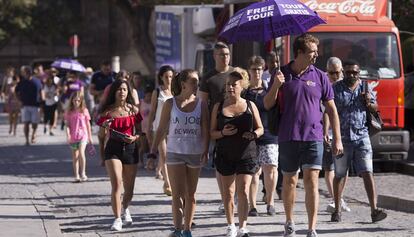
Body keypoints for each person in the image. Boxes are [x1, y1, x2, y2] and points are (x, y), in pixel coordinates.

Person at [264, 33, 343, 237]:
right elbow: (267, 104)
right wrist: (276, 85)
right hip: (288, 135)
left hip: (314, 136)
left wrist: (337, 138)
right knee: (289, 180)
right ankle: (289, 221)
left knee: (312, 181)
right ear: (299, 52)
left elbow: (332, 109)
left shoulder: (320, 76)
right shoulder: (281, 73)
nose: (316, 55)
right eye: (312, 52)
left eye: (317, 51)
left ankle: (311, 227)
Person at [150, 69, 209, 237]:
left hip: (195, 153)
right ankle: (177, 229)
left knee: (190, 194)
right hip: (175, 152)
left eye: (198, 81)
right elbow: (161, 129)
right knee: (176, 193)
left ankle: (187, 229)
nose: (197, 85)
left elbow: (205, 128)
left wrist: (205, 150)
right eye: (193, 82)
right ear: (183, 84)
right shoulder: (170, 103)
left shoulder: (201, 104)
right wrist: (153, 152)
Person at [331, 59, 387, 223]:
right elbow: (329, 111)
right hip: (342, 138)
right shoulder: (336, 88)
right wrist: (329, 134)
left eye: (354, 72)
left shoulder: (365, 87)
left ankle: (374, 210)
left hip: (362, 137)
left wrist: (369, 102)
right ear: (343, 72)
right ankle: (337, 210)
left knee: (368, 172)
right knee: (340, 174)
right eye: (348, 72)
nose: (351, 75)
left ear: (359, 72)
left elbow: (376, 108)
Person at [211, 67, 264, 237]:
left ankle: (242, 227)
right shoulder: (218, 107)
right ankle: (230, 225)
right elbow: (211, 133)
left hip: (246, 154)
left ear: (242, 87)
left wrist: (254, 134)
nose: (230, 88)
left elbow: (261, 128)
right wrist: (222, 133)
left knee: (243, 190)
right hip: (225, 154)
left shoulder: (250, 105)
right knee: (229, 193)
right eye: (228, 84)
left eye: (234, 84)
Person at [97, 79, 142, 231]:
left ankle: (125, 208)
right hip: (113, 149)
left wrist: (134, 138)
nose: (122, 92)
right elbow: (101, 135)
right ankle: (117, 219)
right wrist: (105, 127)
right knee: (117, 184)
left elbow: (141, 132)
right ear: (114, 92)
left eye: (124, 89)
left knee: (129, 188)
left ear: (128, 92)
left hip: (130, 148)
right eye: (119, 89)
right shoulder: (107, 112)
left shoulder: (133, 110)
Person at [199, 41, 234, 213]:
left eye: (227, 54)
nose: (225, 57)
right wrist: (205, 127)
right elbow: (203, 104)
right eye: (222, 54)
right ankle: (224, 197)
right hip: (217, 126)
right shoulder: (208, 77)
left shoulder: (235, 73)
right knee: (221, 164)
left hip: (237, 122)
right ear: (214, 56)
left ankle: (234, 195)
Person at [244, 56, 279, 217]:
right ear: (249, 71)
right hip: (250, 137)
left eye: (259, 69)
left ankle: (270, 202)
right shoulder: (244, 93)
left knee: (271, 168)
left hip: (269, 135)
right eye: (254, 69)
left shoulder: (268, 88)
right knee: (253, 172)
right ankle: (252, 205)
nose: (257, 72)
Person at [323, 57, 351, 213]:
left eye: (337, 72)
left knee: (343, 168)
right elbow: (326, 112)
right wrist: (325, 131)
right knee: (329, 167)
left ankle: (339, 198)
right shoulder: (324, 85)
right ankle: (335, 199)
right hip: (328, 132)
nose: (334, 75)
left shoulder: (346, 86)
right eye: (331, 72)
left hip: (344, 132)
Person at [147, 65, 174, 196]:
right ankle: (168, 183)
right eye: (166, 77)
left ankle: (167, 181)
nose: (169, 79)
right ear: (161, 78)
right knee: (164, 156)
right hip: (159, 127)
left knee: (172, 156)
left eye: (171, 76)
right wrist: (148, 127)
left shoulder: (176, 91)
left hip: (173, 128)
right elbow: (152, 111)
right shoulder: (157, 92)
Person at [64, 91, 92, 182]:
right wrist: (68, 135)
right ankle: (76, 175)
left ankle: (83, 173)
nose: (76, 102)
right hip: (73, 136)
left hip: (83, 136)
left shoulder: (84, 111)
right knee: (75, 157)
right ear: (71, 101)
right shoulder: (69, 112)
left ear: (81, 101)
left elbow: (88, 125)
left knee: (81, 153)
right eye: (74, 100)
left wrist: (90, 137)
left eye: (78, 100)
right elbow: (67, 125)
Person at [15, 65, 43, 145]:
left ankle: (34, 133)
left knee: (34, 123)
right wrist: (18, 101)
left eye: (24, 72)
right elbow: (16, 91)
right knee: (26, 123)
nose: (23, 74)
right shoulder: (22, 82)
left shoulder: (37, 81)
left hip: (35, 105)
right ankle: (27, 140)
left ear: (27, 73)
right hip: (25, 105)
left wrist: (42, 103)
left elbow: (41, 91)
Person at [139, 86, 153, 169]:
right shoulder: (141, 102)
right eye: (148, 96)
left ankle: (150, 163)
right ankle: (140, 161)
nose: (150, 97)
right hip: (142, 128)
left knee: (151, 146)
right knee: (143, 147)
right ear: (145, 95)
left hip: (151, 128)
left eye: (151, 96)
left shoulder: (154, 103)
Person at [42, 71, 59, 136]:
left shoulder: (54, 86)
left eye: (51, 80)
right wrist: (47, 95)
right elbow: (44, 95)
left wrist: (56, 93)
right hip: (46, 103)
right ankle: (45, 126)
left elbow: (57, 93)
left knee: (52, 117)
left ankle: (50, 130)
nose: (50, 81)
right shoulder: (45, 86)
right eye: (49, 80)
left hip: (53, 103)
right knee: (46, 116)